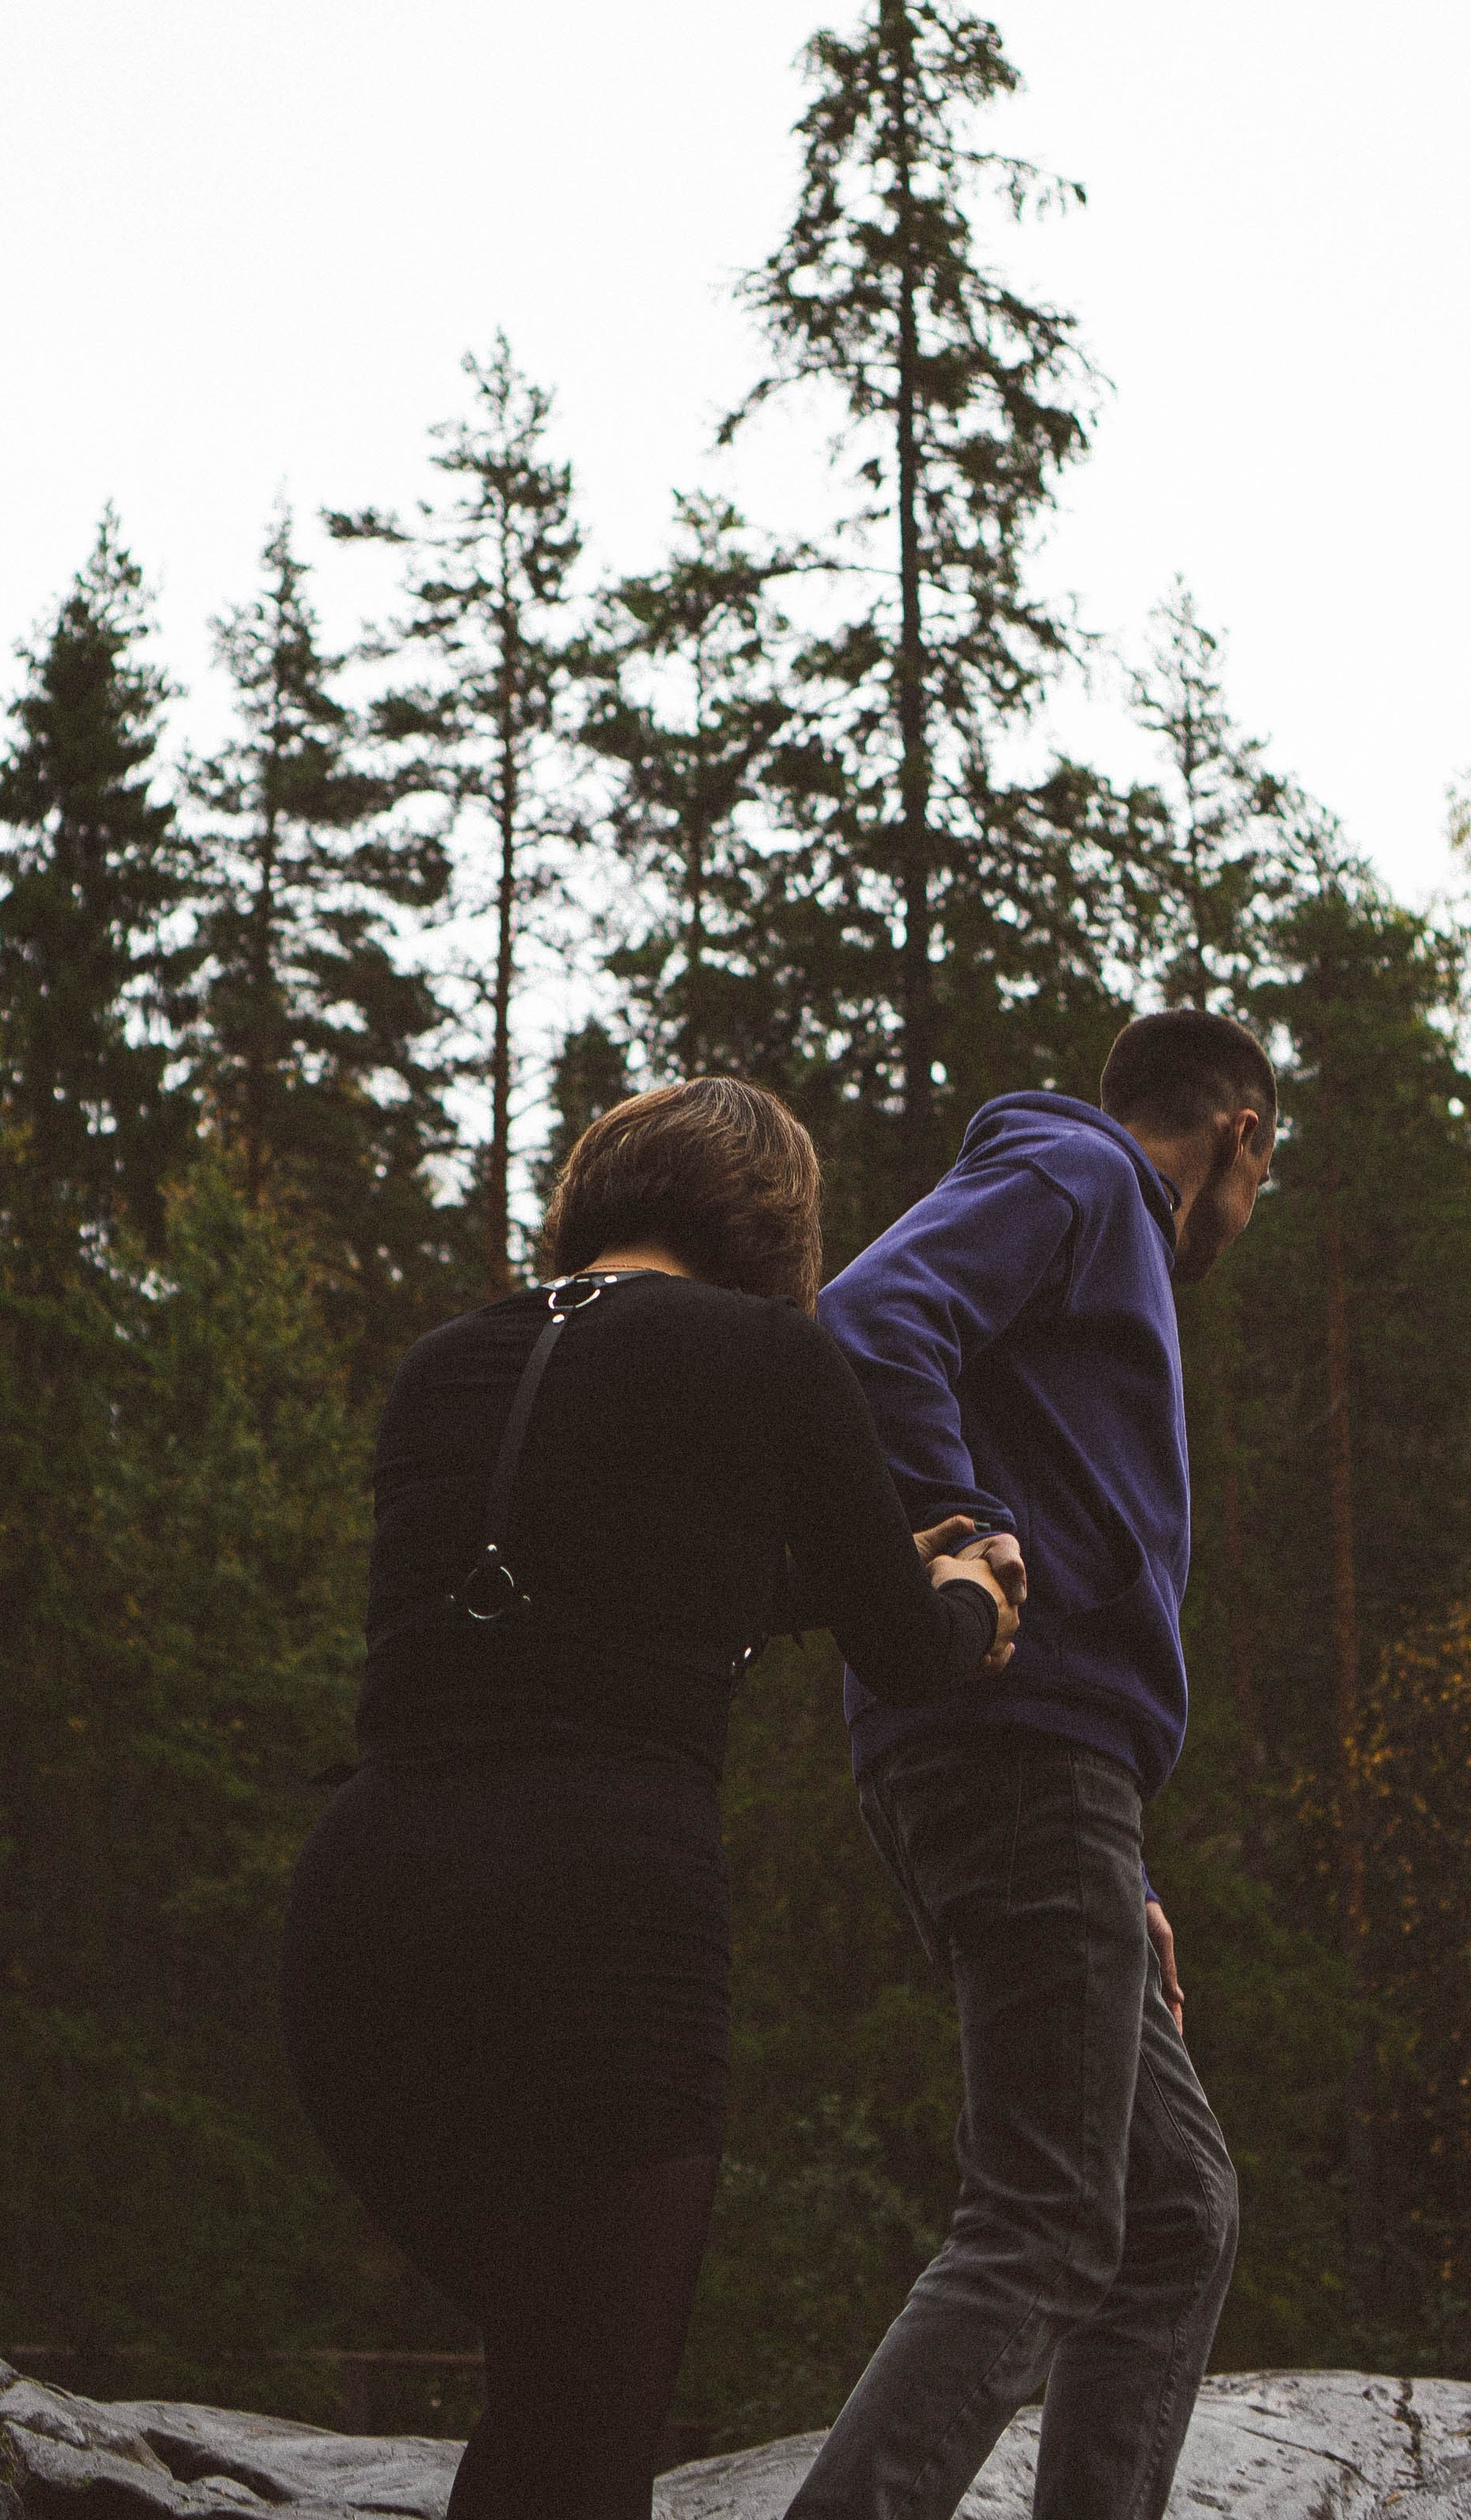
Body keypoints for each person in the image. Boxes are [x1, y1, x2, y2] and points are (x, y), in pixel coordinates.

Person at [278, 1076, 1021, 2520]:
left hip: (365, 1927)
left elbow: (609, 1597)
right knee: (582, 2431)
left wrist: (832, 1582)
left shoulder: (445, 1362)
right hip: (597, 1927)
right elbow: (913, 1659)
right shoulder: (767, 1354)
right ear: (780, 1233)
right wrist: (972, 1597)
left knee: (542, 2400)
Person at [785, 1006, 1277, 2520]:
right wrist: (962, 1530)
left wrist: (1116, 1865)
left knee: (1176, 2211)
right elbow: (867, 1321)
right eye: (1269, 1170)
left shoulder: (1085, 1213)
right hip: (1016, 1750)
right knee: (1052, 2220)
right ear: (1241, 1138)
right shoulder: (1079, 1173)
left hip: (1054, 1776)